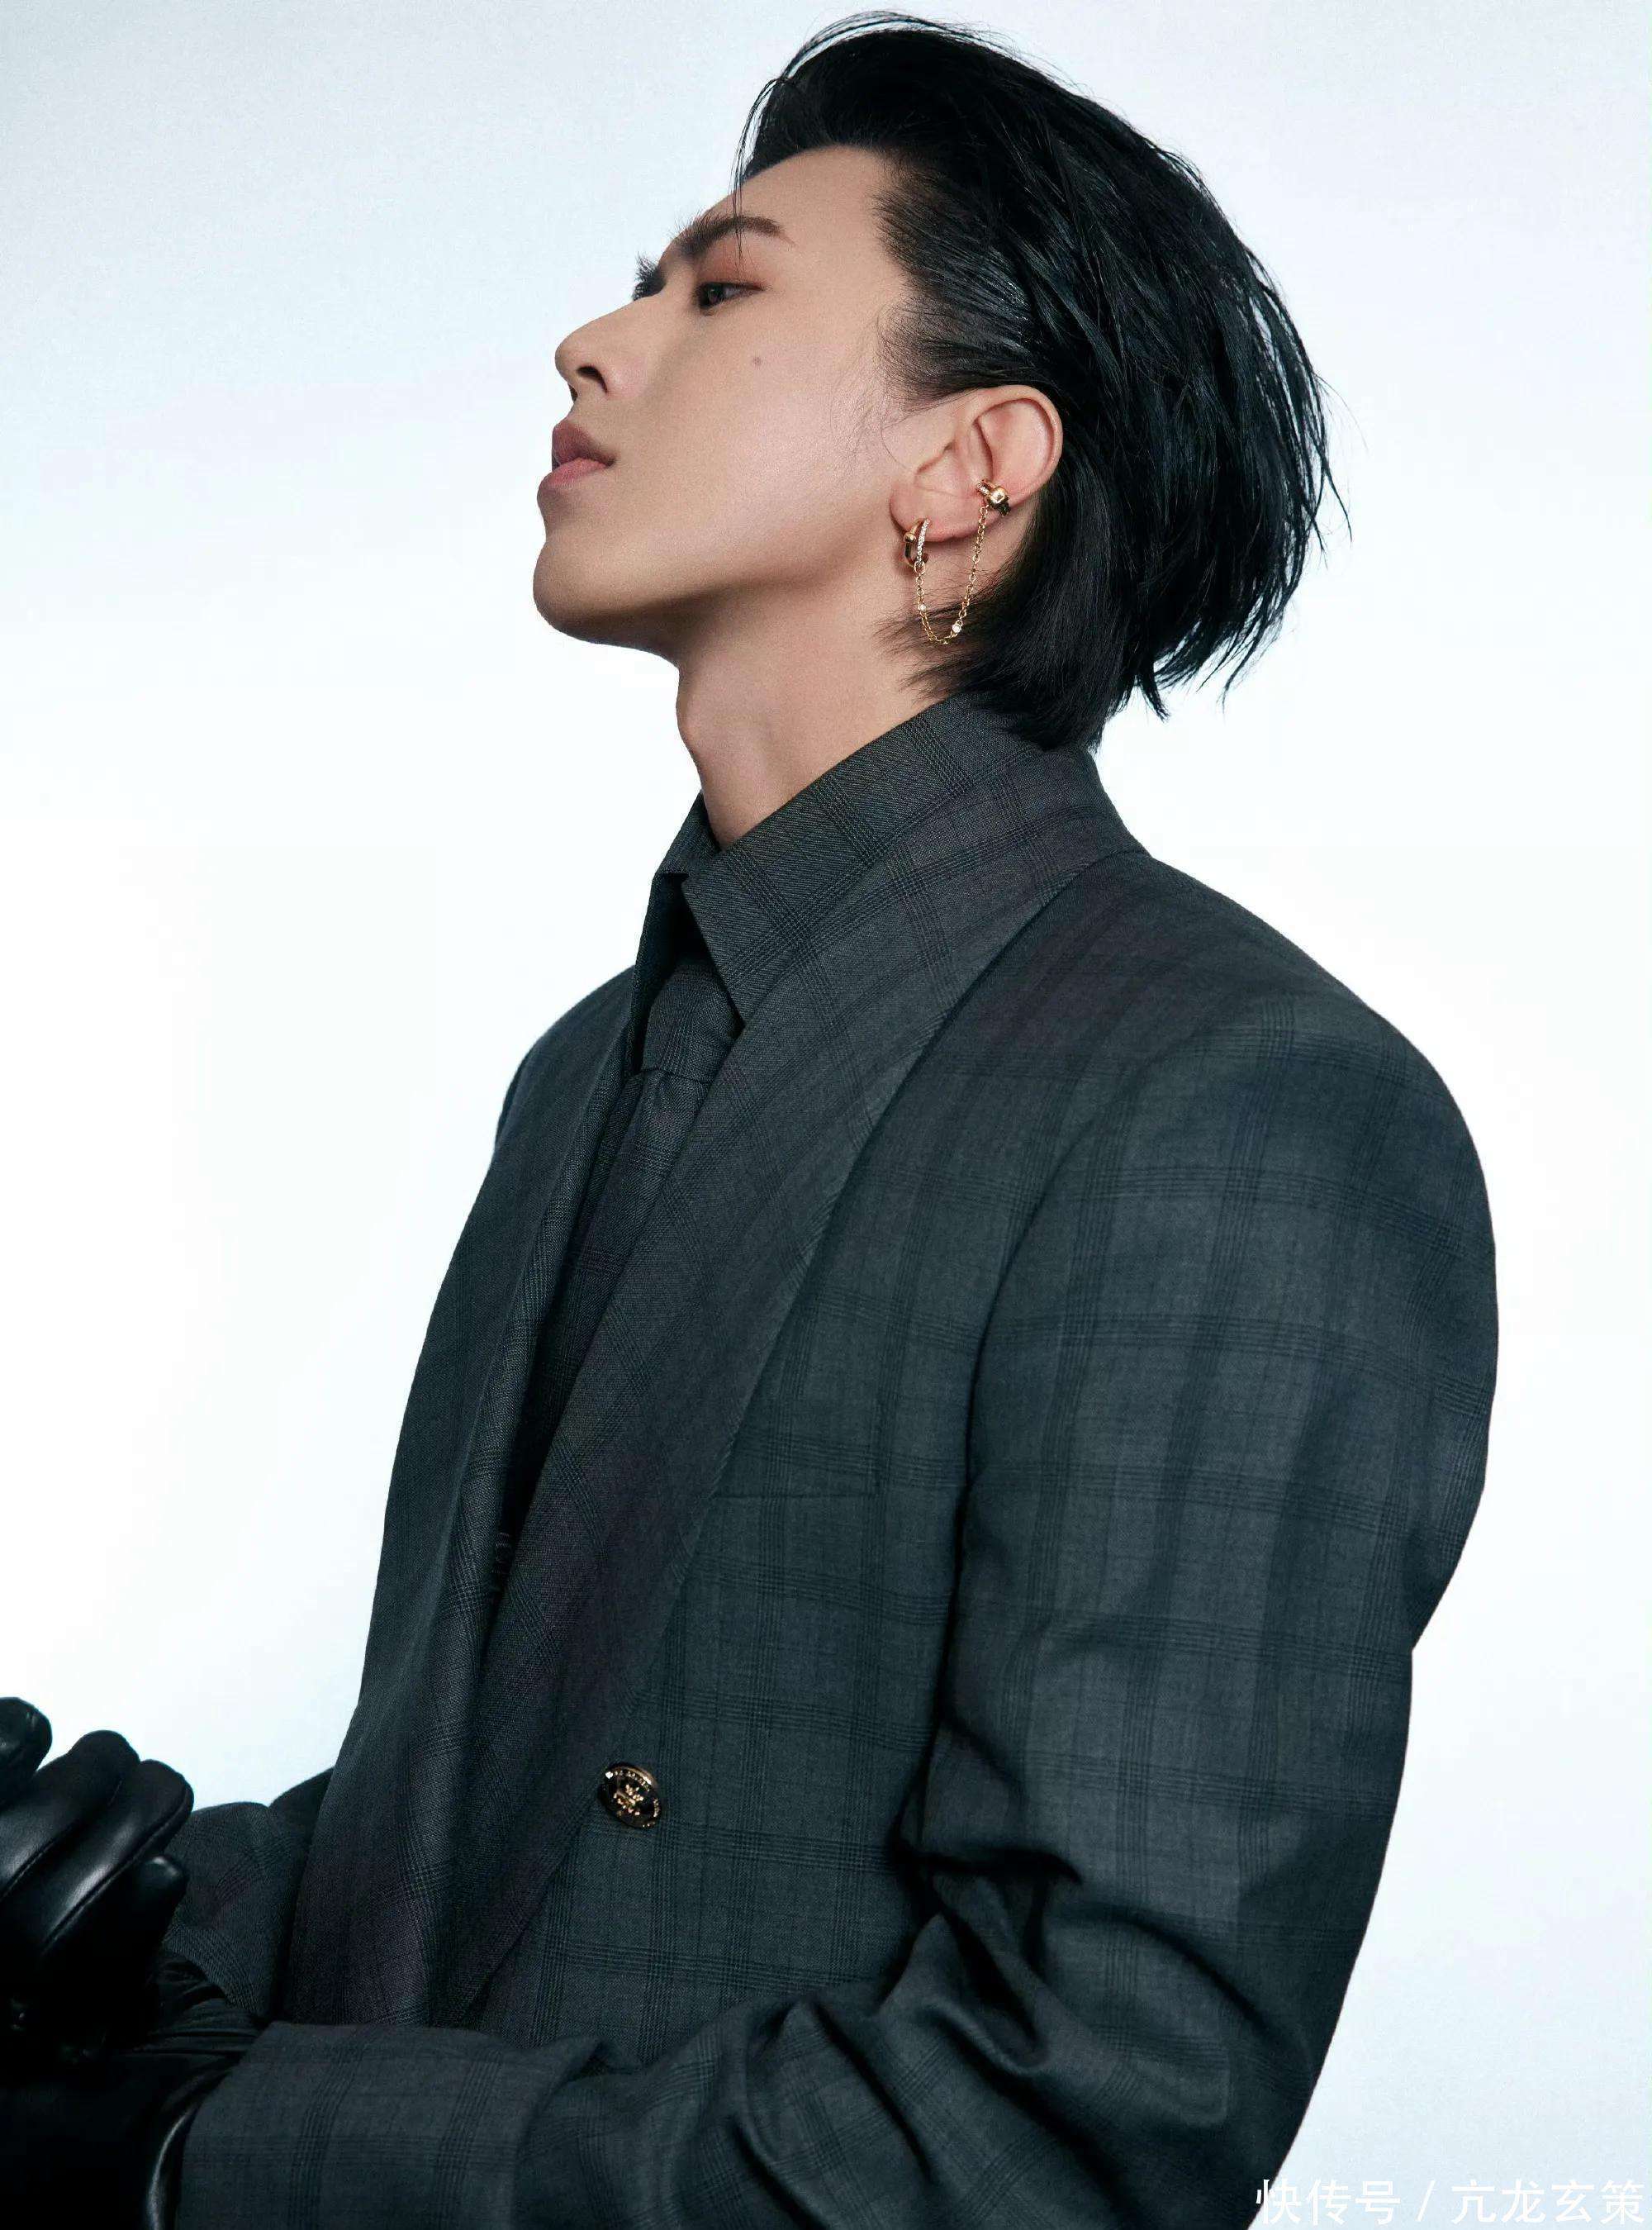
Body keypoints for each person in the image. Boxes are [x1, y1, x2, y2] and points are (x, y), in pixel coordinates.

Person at [0, 13, 1498, 2224]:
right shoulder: (591, 1069)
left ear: (971, 465)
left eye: (720, 290)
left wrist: (200, 2150)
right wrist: (113, 1905)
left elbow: (1079, 2120)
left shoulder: (1236, 1101)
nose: (594, 343)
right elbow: (514, 1851)